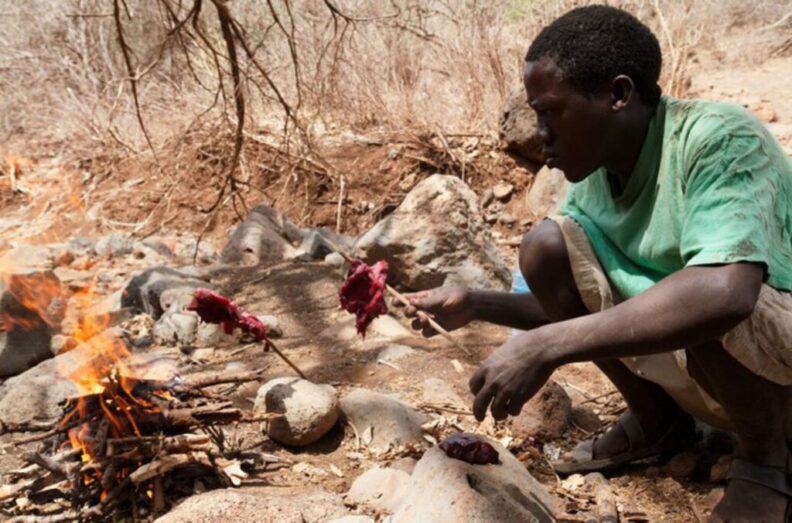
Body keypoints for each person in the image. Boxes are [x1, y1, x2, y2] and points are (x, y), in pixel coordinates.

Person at [405, 5, 792, 522]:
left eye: (550, 111)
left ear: (618, 94)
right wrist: (475, 304)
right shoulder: (592, 177)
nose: (539, 131)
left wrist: (546, 348)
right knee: (546, 248)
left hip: (774, 358)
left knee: (693, 289)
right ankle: (661, 425)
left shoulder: (719, 139)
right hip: (717, 357)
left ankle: (767, 462)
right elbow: (581, 313)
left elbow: (725, 293)